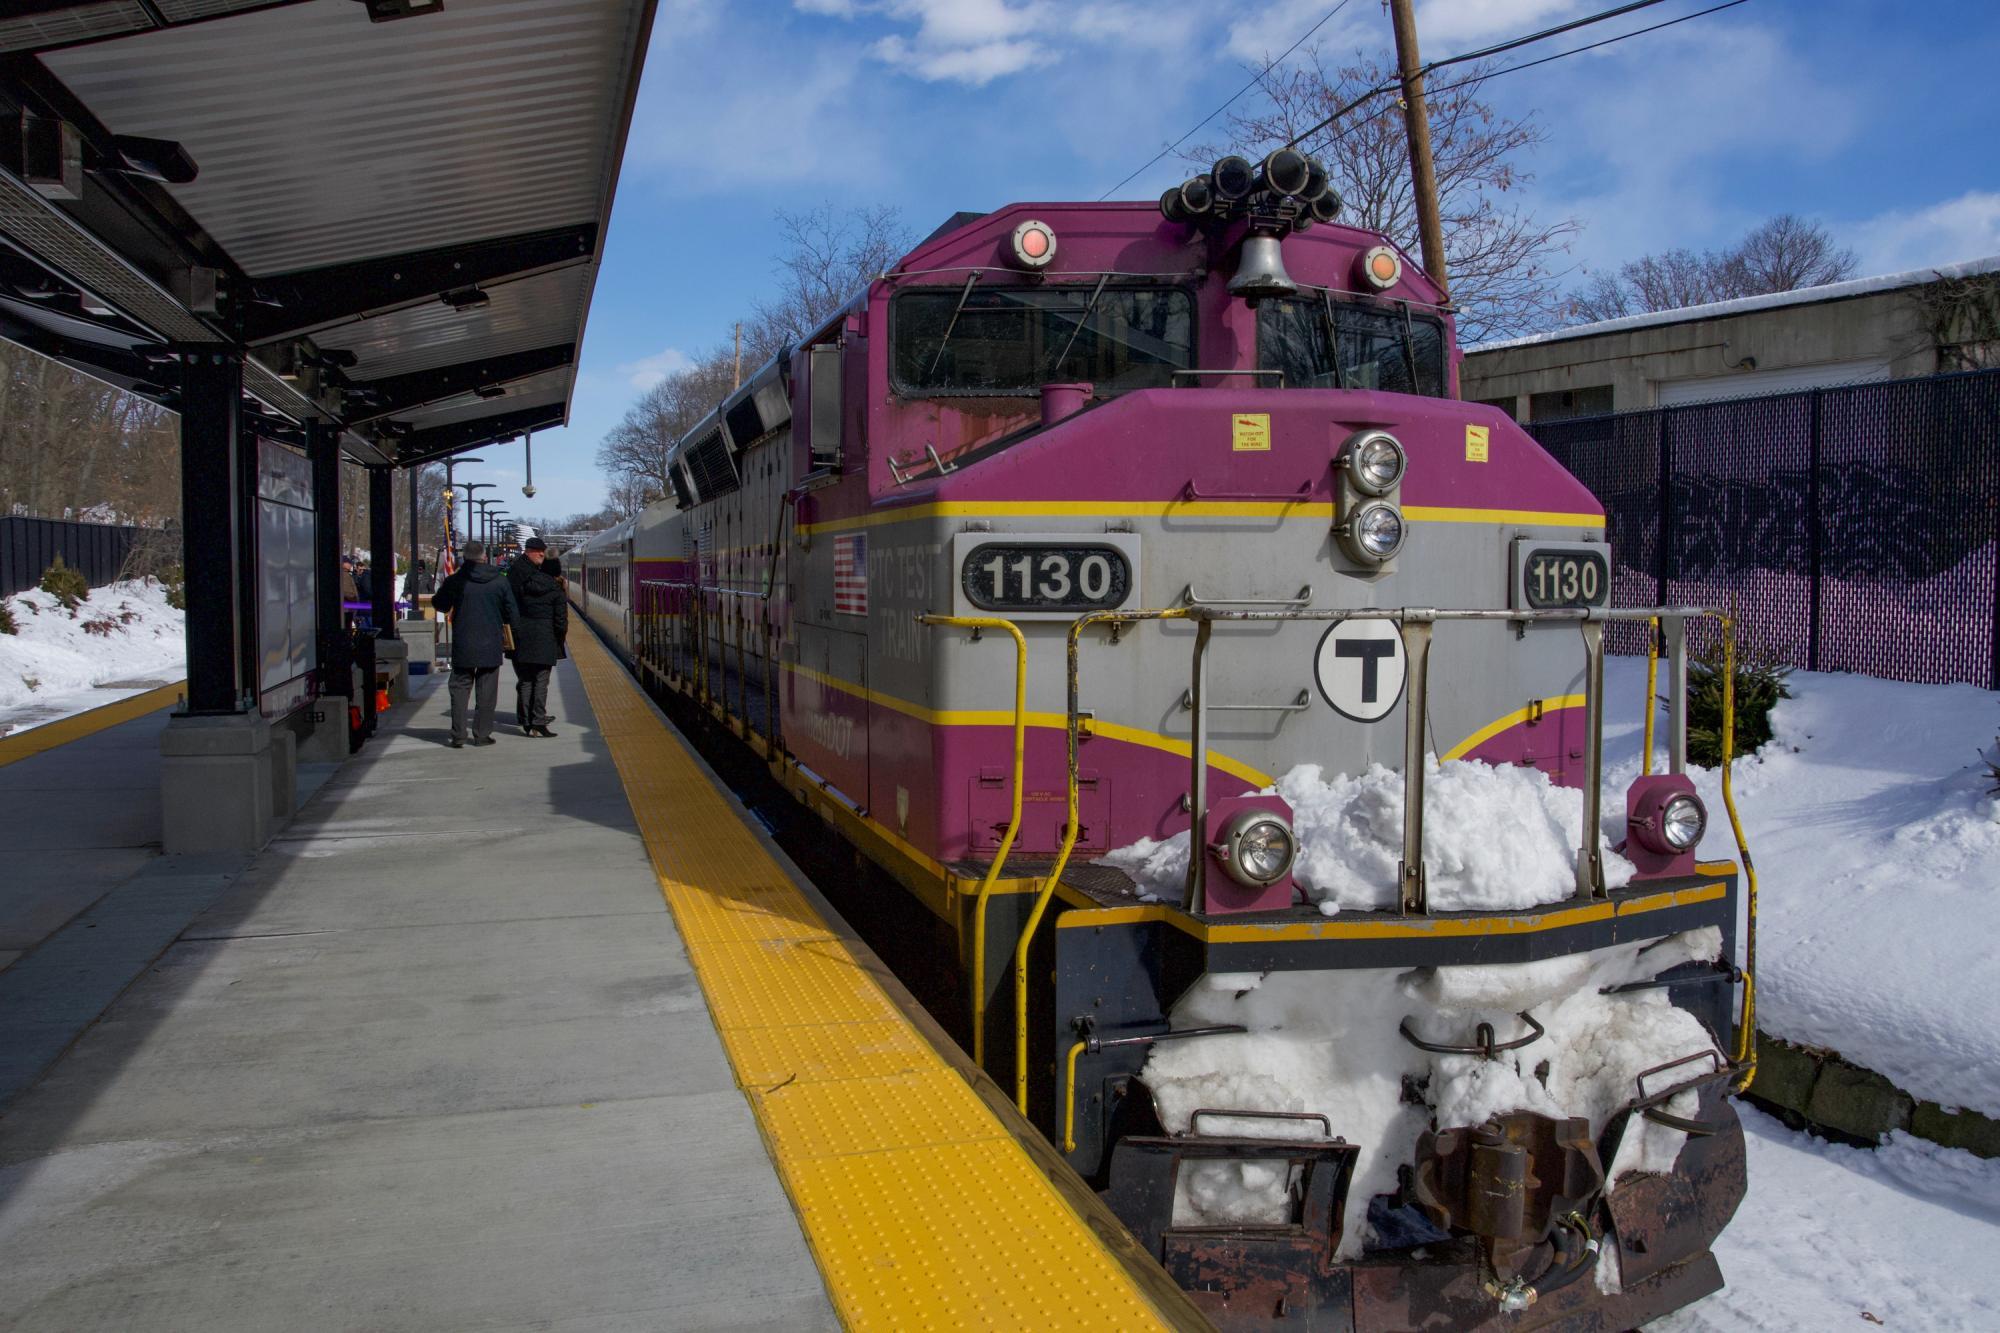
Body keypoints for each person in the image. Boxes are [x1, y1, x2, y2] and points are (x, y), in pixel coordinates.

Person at [431, 541, 518, 748]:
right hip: (491, 642)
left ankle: (458, 735)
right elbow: (512, 613)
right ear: (484, 557)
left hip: (464, 642)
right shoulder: (499, 581)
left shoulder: (456, 580)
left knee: (460, 689)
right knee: (487, 690)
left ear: (464, 558)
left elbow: (440, 604)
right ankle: (482, 734)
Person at [506, 537, 567, 737]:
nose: (541, 554)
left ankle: (526, 721)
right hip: (545, 637)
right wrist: (559, 638)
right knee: (541, 680)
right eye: (538, 551)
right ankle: (538, 721)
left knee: (525, 680)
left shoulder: (523, 583)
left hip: (523, 634)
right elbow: (560, 622)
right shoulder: (555, 590)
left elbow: (512, 605)